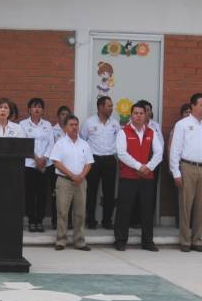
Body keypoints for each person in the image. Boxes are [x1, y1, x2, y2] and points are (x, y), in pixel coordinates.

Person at [169, 93, 202, 252]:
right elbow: (175, 149)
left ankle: (197, 239)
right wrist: (175, 172)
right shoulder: (182, 124)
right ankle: (185, 240)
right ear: (192, 106)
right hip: (187, 167)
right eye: (201, 104)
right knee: (185, 204)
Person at [113, 100, 162, 251]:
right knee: (124, 209)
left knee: (147, 210)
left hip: (147, 177)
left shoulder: (151, 132)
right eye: (135, 113)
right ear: (131, 115)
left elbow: (159, 152)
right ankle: (121, 240)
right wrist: (139, 166)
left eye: (141, 113)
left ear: (146, 115)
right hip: (128, 177)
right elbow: (121, 153)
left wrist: (149, 167)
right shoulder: (123, 132)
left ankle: (148, 242)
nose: (139, 116)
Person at [48, 114, 93, 251]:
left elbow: (89, 163)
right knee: (62, 211)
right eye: (71, 125)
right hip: (64, 181)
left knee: (80, 212)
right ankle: (61, 241)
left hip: (81, 181)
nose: (74, 127)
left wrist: (81, 176)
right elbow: (56, 162)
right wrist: (72, 175)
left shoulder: (84, 144)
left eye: (76, 125)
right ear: (65, 127)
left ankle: (79, 241)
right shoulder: (60, 143)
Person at [81, 96, 120, 231]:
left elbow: (119, 142)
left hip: (110, 160)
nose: (111, 108)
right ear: (100, 107)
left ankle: (107, 221)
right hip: (93, 160)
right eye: (109, 106)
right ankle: (90, 220)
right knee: (91, 191)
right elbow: (83, 141)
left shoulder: (115, 123)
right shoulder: (89, 122)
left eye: (111, 106)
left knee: (109, 192)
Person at [20, 97, 51, 232]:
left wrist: (44, 158)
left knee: (42, 194)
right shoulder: (22, 125)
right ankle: (32, 220)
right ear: (29, 110)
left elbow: (51, 143)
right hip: (29, 164)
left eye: (39, 107)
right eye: (34, 107)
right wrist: (36, 158)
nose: (37, 109)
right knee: (30, 194)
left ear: (42, 110)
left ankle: (40, 221)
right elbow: (23, 144)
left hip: (45, 165)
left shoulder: (47, 125)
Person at [48, 105, 71, 229]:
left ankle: (69, 221)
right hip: (56, 168)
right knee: (56, 196)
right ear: (58, 117)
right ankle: (55, 221)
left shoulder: (73, 131)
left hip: (71, 168)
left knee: (70, 196)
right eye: (62, 114)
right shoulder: (53, 130)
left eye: (67, 114)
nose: (65, 116)